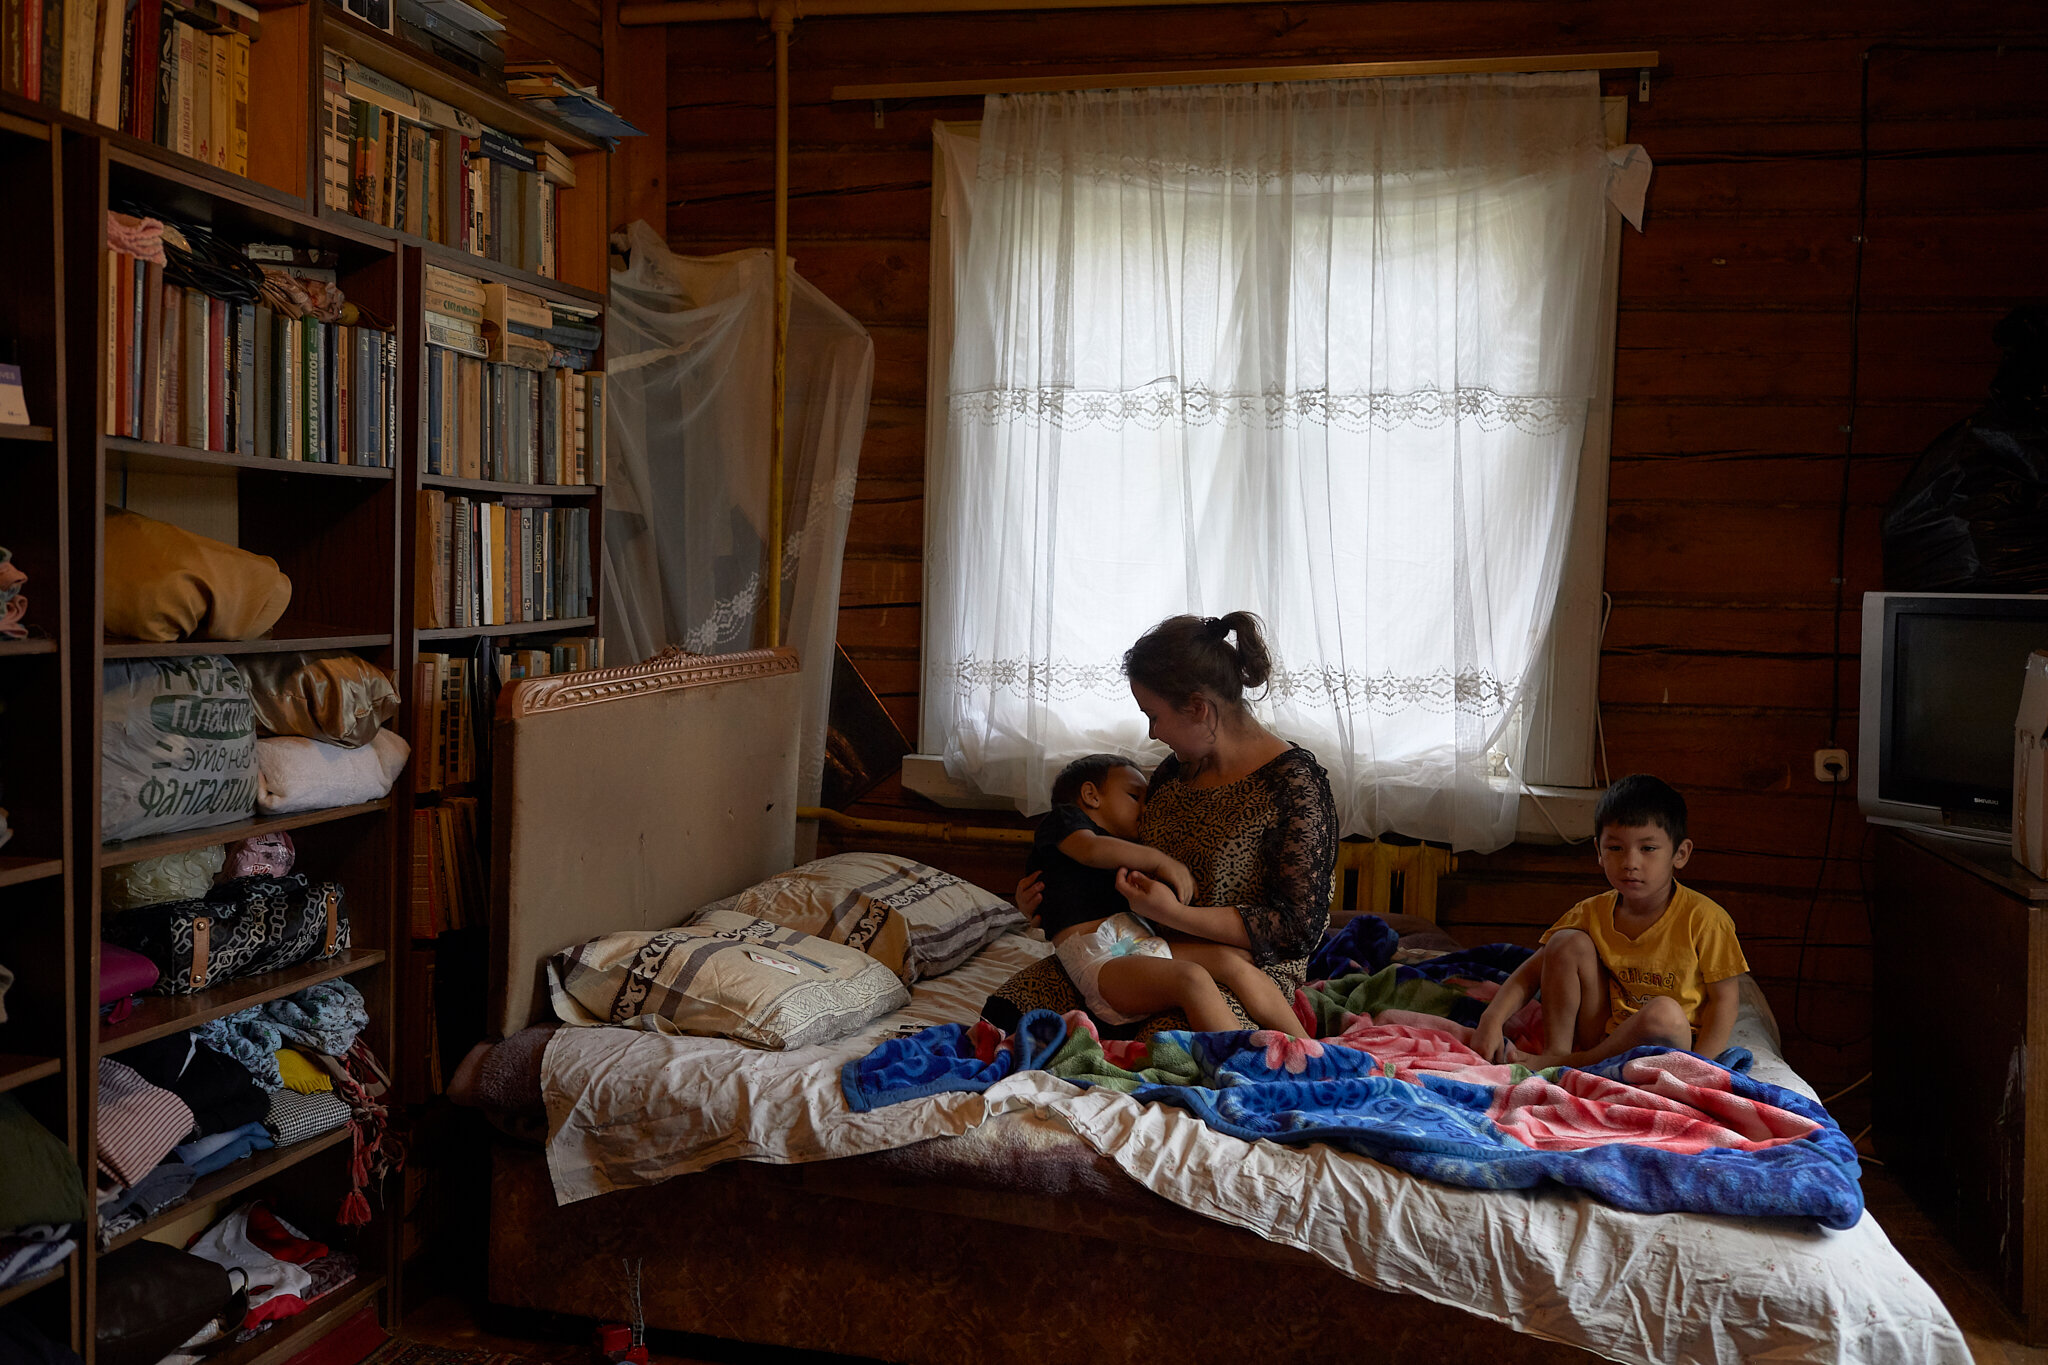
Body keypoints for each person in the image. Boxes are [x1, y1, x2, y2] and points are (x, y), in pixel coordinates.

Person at [1007, 611, 1339, 1032]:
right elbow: (1112, 859)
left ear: (1198, 709)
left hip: (1245, 966)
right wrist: (1044, 896)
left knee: (1167, 1038)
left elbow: (1294, 929)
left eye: (1154, 716)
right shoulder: (1171, 773)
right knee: (1013, 1012)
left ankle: (1300, 1064)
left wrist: (1175, 915)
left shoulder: (1294, 786)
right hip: (1139, 945)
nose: (1152, 733)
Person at [1469, 774, 1750, 1069]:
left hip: (1666, 1045)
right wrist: (1491, 1020)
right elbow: (1531, 974)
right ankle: (1556, 1055)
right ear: (1599, 853)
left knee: (1664, 1012)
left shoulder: (1706, 920)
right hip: (1602, 1035)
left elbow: (1725, 1003)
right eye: (1615, 848)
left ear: (1680, 854)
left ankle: (1573, 1064)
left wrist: (1700, 1066)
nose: (1630, 862)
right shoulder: (1591, 912)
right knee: (1565, 942)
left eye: (1648, 849)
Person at [1029, 753, 1310, 1037]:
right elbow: (1091, 850)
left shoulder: (1125, 847)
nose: (1144, 808)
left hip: (1140, 944)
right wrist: (1160, 861)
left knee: (1232, 959)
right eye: (1133, 796)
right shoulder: (1064, 821)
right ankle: (1246, 1066)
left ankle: (1310, 1049)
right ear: (1091, 795)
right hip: (1101, 961)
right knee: (1191, 977)